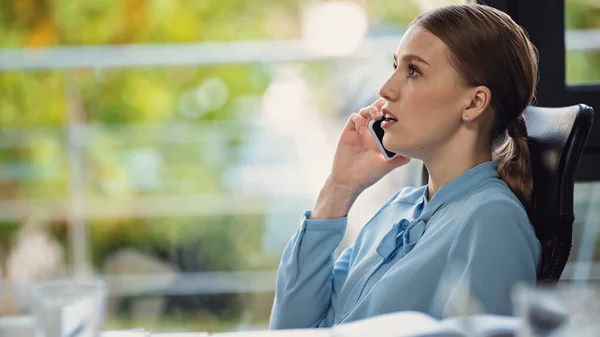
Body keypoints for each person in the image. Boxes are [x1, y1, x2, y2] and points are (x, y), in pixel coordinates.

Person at [269, 3, 541, 329]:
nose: (385, 89)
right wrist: (339, 189)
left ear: (474, 102)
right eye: (396, 65)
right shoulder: (397, 209)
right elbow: (290, 329)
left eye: (413, 71)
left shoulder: (493, 222)